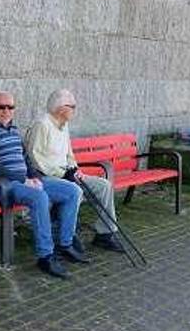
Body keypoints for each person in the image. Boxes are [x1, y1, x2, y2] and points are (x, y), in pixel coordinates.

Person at [0, 91, 87, 279]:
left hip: (23, 182)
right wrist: (23, 179)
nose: (5, 111)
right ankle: (46, 256)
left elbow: (25, 159)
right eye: (1, 107)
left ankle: (65, 244)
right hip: (0, 186)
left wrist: (34, 177)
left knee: (72, 191)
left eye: (10, 107)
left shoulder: (14, 130)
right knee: (39, 197)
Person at [25, 89, 125, 253]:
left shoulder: (64, 126)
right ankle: (65, 236)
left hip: (67, 174)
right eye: (73, 106)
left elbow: (69, 154)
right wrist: (64, 174)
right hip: (46, 177)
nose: (74, 110)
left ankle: (105, 234)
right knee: (75, 191)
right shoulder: (42, 125)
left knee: (104, 186)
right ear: (61, 108)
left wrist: (75, 170)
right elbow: (35, 158)